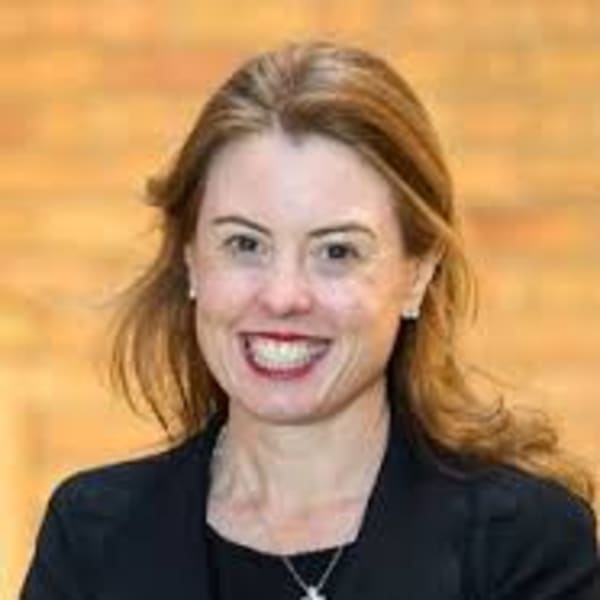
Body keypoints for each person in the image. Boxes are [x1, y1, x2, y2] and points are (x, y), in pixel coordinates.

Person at [20, 39, 599, 600]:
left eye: (337, 252)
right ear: (191, 258)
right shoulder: (92, 536)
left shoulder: (524, 546)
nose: (283, 297)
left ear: (418, 274)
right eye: (245, 244)